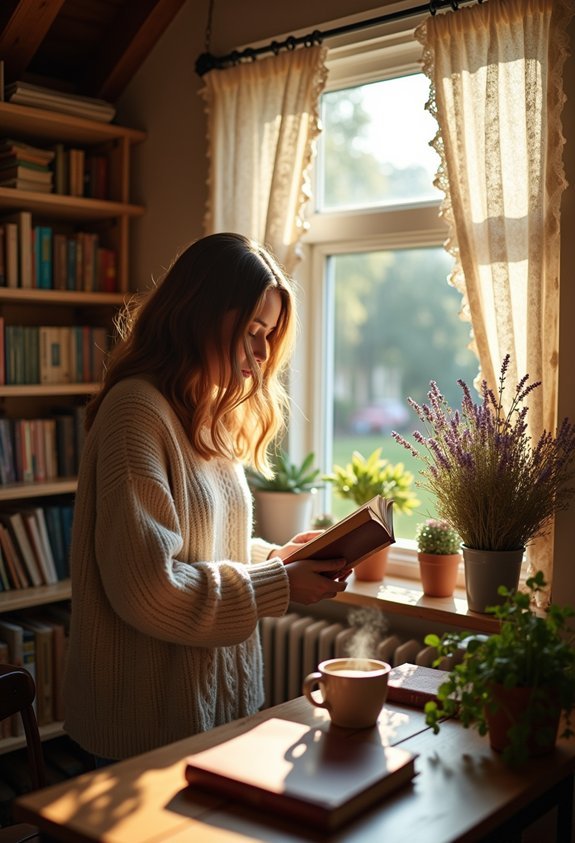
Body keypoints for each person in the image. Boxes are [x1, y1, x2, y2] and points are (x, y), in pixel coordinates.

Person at [63, 232, 350, 762]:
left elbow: (207, 544)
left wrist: (277, 558)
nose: (262, 352)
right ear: (200, 315)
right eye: (251, 330)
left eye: (268, 334)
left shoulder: (208, 411)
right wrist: (277, 584)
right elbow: (149, 588)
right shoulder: (137, 413)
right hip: (148, 727)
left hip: (218, 712)